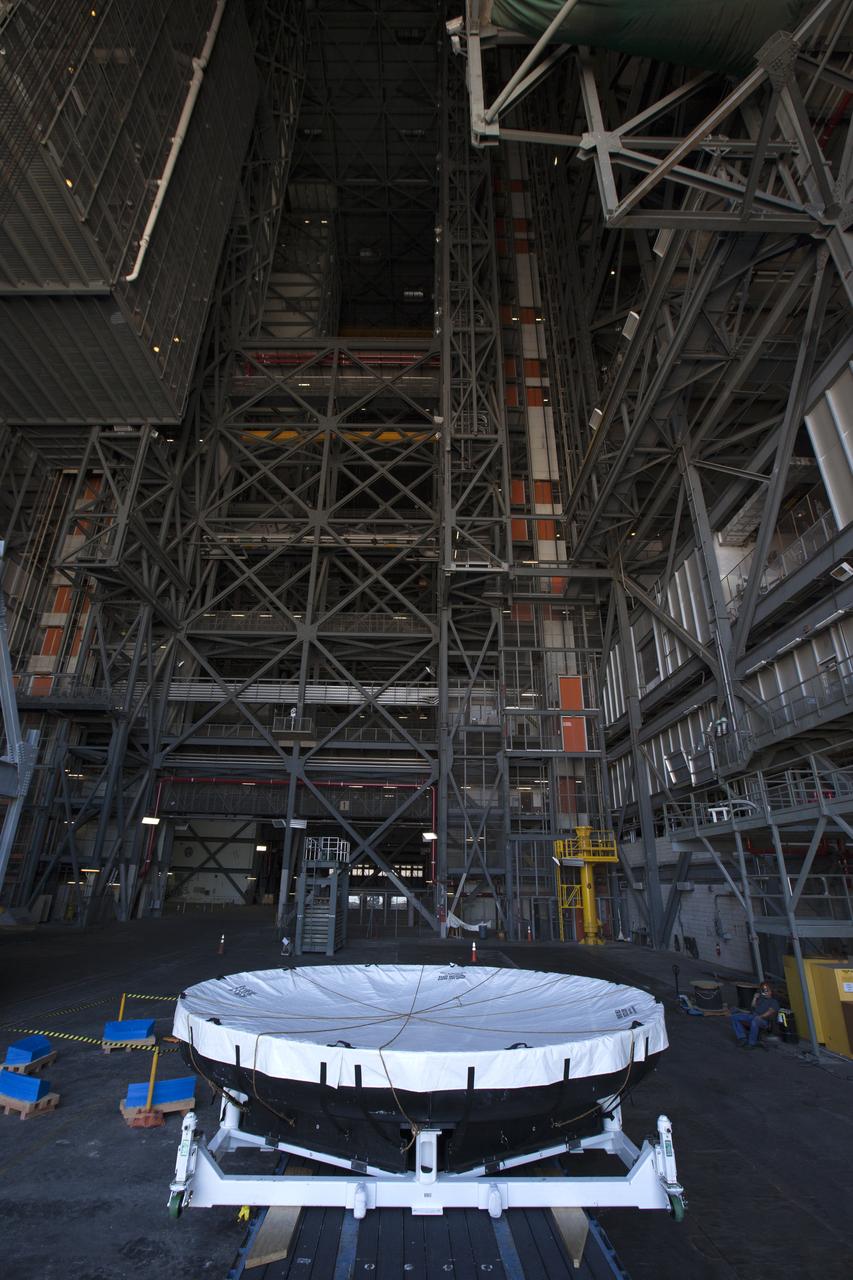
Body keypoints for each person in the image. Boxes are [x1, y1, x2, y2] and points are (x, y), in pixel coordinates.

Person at [730, 981, 780, 1048]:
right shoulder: (761, 998)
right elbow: (753, 1007)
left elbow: (770, 1012)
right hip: (753, 1015)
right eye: (763, 990)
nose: (765, 991)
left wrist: (760, 1016)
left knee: (755, 1020)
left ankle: (752, 1043)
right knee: (734, 1017)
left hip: (764, 1020)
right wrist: (755, 998)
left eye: (767, 990)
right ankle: (742, 1038)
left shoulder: (774, 1001)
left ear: (771, 991)